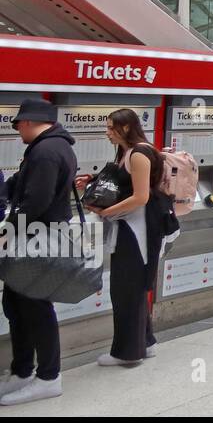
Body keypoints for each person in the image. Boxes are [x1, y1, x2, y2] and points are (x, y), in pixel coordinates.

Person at [82, 109, 174, 368]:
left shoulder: (139, 154)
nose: (107, 132)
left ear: (125, 128)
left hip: (139, 229)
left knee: (126, 290)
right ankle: (146, 342)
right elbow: (125, 186)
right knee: (131, 287)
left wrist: (106, 212)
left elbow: (141, 197)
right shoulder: (126, 153)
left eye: (111, 127)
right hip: (130, 226)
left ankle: (127, 352)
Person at [0, 100, 74, 405]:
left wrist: (5, 233)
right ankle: (22, 370)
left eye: (18, 126)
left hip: (37, 239)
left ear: (30, 122)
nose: (18, 131)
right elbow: (20, 188)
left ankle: (48, 377)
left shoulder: (46, 151)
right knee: (16, 304)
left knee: (36, 308)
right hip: (36, 238)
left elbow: (35, 202)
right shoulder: (51, 147)